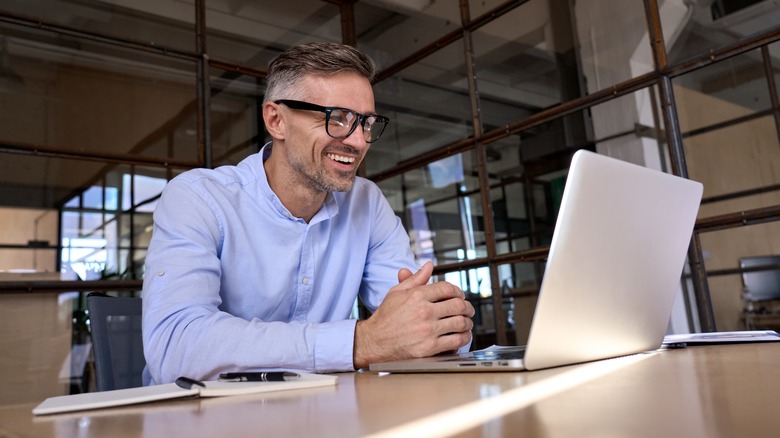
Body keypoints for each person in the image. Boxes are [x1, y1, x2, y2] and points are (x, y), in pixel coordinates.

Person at [141, 42, 474, 385]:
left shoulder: (367, 203)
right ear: (276, 120)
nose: (359, 142)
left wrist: (441, 324)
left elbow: (416, 327)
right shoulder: (199, 197)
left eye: (366, 123)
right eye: (337, 118)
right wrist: (361, 342)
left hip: (322, 411)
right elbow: (174, 346)